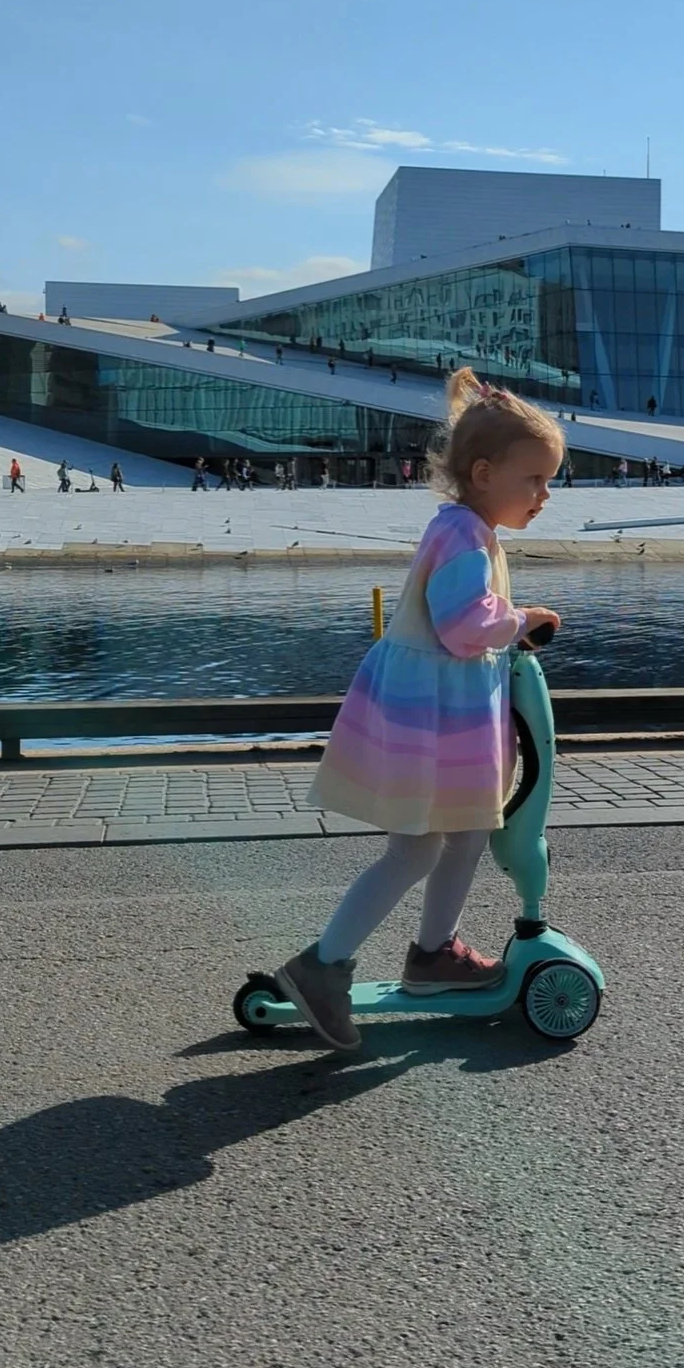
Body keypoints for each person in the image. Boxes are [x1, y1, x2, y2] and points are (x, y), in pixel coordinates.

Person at [274, 367, 564, 1052]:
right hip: (430, 716)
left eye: (549, 481)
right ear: (486, 472)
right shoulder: (463, 536)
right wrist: (523, 619)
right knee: (416, 847)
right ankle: (322, 966)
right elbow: (464, 624)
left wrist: (511, 624)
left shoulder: (469, 530)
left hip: (444, 713)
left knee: (461, 834)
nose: (544, 496)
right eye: (535, 480)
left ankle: (433, 954)